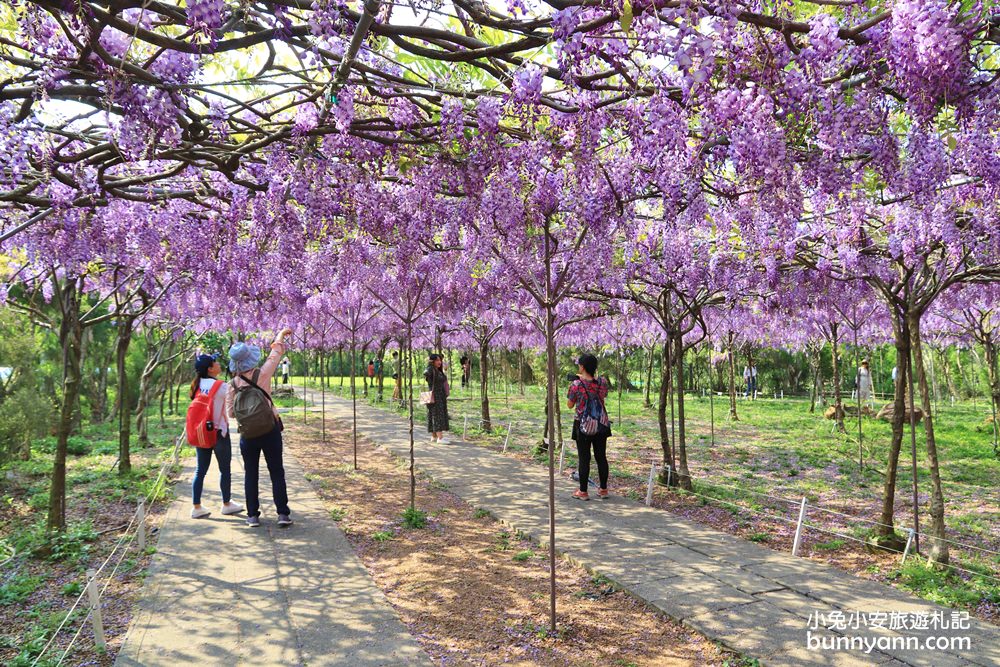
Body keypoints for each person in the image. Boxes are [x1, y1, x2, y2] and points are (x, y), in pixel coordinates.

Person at [227, 328, 294, 529]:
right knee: (276, 471)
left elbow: (231, 413)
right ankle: (282, 514)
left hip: (248, 434)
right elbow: (276, 355)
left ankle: (252, 516)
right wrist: (281, 336)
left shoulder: (231, 384)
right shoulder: (262, 374)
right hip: (269, 429)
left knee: (251, 474)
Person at [188, 354, 243, 519]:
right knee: (225, 470)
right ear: (210, 369)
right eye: (215, 362)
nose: (219, 364)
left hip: (202, 433)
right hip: (219, 433)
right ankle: (226, 504)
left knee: (200, 470)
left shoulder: (196, 386)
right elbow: (237, 396)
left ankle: (196, 507)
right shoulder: (221, 386)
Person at [567, 354, 611, 501]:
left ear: (582, 367)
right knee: (601, 457)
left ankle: (583, 491)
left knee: (584, 458)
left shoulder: (576, 385)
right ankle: (603, 489)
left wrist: (578, 381)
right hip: (601, 424)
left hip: (583, 425)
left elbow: (570, 404)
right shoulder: (602, 382)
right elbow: (602, 396)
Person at [424, 353, 450, 443]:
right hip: (434, 395)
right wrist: (430, 364)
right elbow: (426, 373)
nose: (440, 362)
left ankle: (434, 436)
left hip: (440, 395)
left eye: (440, 360)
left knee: (433, 415)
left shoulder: (438, 370)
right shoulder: (431, 369)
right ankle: (440, 438)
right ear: (433, 361)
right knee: (437, 415)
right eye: (437, 360)